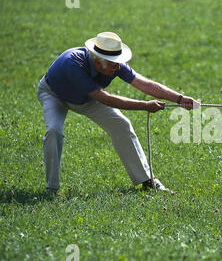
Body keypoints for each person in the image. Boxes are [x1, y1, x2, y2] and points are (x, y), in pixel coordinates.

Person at [37, 32, 199, 192]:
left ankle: (147, 180)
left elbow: (146, 85)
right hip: (54, 94)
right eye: (113, 63)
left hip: (87, 99)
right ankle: (52, 187)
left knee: (122, 125)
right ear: (97, 60)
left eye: (118, 62)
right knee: (53, 130)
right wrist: (144, 105)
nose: (117, 67)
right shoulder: (72, 63)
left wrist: (179, 98)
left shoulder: (115, 66)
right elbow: (105, 98)